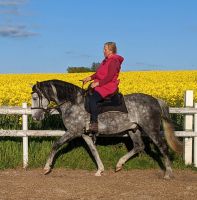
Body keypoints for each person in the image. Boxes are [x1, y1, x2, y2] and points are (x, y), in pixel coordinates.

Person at [83, 42, 124, 133]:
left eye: (105, 49)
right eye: (104, 49)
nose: (103, 51)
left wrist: (98, 84)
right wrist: (89, 78)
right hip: (102, 84)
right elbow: (98, 73)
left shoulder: (114, 61)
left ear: (111, 50)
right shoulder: (106, 60)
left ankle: (94, 124)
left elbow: (109, 77)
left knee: (93, 99)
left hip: (108, 86)